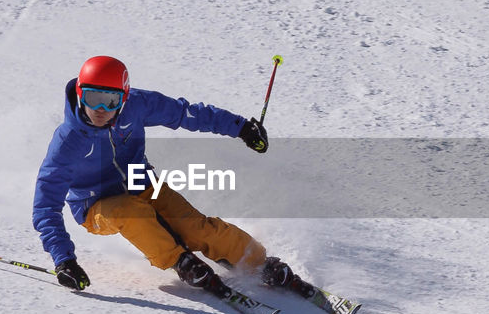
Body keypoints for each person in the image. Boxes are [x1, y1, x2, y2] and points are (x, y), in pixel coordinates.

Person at [32, 55, 309, 300]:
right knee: (132, 213)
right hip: (94, 206)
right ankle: (180, 261)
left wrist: (241, 128)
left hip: (141, 182)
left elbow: (185, 113)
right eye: (93, 98)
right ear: (80, 93)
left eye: (111, 100)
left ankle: (258, 262)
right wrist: (64, 260)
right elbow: (46, 206)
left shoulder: (137, 105)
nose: (101, 110)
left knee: (195, 228)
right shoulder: (68, 142)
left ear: (124, 97)